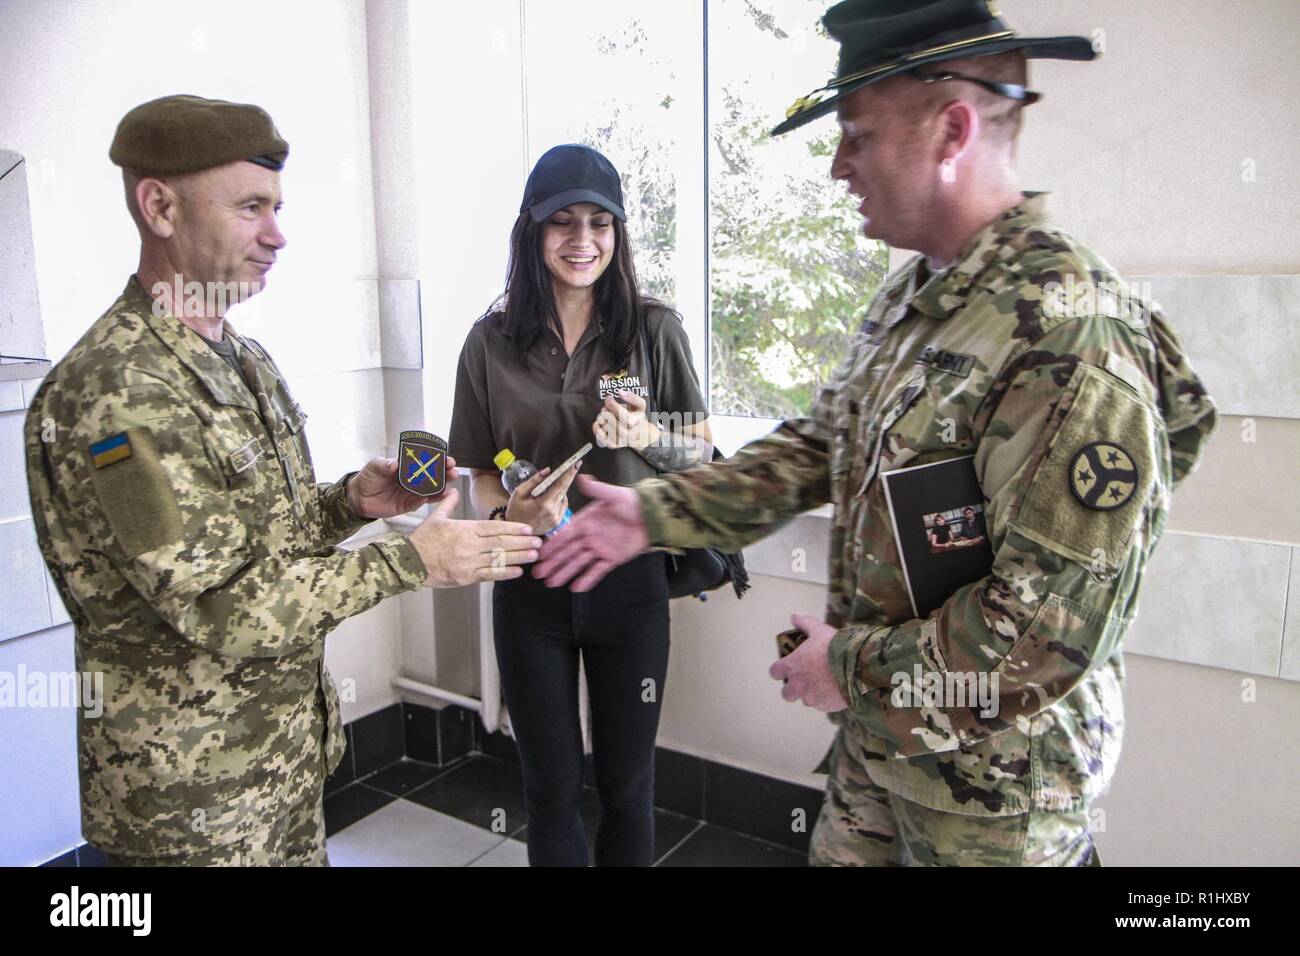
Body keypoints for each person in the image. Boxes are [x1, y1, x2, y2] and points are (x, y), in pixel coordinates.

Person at [534, 0, 1218, 866]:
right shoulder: (911, 301)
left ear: (951, 130)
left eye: (857, 135)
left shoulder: (1069, 331)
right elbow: (817, 448)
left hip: (997, 798)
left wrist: (845, 669)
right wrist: (655, 513)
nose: (837, 167)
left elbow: (1041, 636)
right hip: (882, 752)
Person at [22, 94, 542, 866]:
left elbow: (262, 540)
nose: (277, 234)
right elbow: (215, 603)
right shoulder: (115, 397)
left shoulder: (242, 361)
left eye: (278, 207)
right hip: (189, 808)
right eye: (251, 208)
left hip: (278, 770)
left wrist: (349, 503)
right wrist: (413, 559)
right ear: (159, 205)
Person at [449, 144, 712, 866]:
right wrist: (512, 518)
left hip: (630, 587)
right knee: (550, 789)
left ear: (619, 234)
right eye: (561, 222)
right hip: (530, 587)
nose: (582, 241)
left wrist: (648, 435)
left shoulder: (654, 329)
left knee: (627, 787)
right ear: (531, 233)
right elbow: (479, 472)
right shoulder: (489, 343)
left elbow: (704, 460)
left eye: (601, 223)